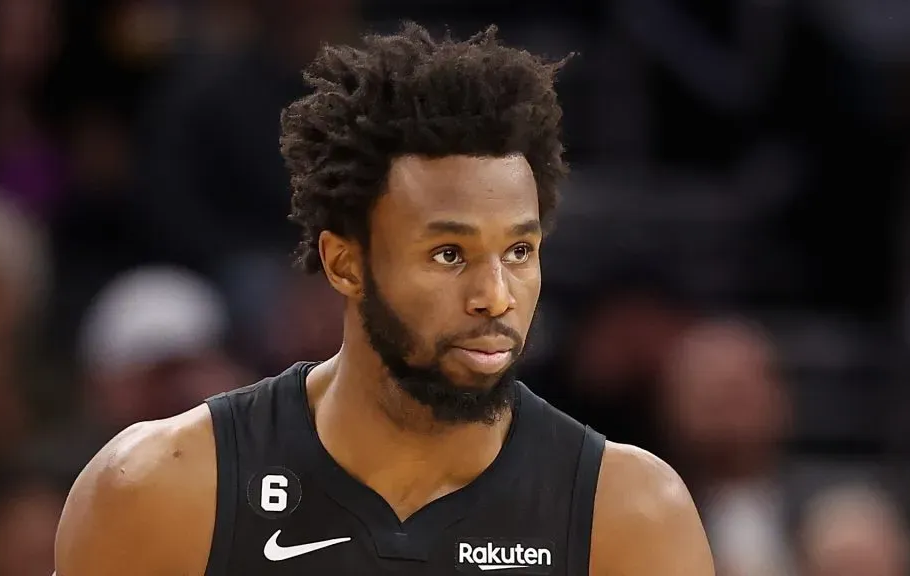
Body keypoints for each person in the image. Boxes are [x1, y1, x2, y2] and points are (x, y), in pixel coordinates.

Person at [54, 23, 714, 576]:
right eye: (448, 254)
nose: (494, 296)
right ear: (345, 264)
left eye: (518, 252)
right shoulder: (160, 489)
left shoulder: (629, 514)